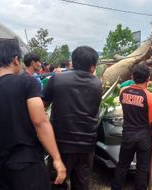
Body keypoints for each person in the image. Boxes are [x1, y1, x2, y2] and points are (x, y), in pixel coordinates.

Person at [0, 39, 66, 189]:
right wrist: (57, 159)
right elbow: (40, 122)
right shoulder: (26, 82)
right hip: (24, 163)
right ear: (15, 59)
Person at [43, 46, 102, 190]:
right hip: (86, 145)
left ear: (72, 62)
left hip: (61, 144)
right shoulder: (97, 84)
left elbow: (42, 105)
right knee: (81, 184)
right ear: (93, 66)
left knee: (57, 183)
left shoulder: (57, 79)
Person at [112, 64, 152, 190]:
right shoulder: (150, 98)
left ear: (132, 77)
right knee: (142, 169)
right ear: (148, 79)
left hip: (128, 134)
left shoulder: (123, 92)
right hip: (144, 138)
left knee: (122, 165)